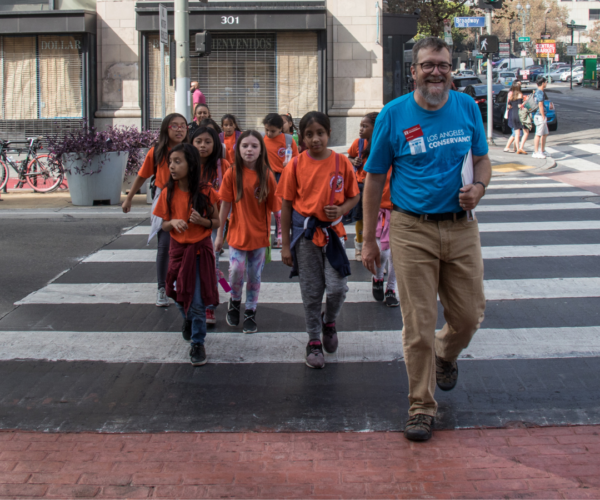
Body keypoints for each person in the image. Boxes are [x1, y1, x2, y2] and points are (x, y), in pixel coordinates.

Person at [362, 37, 491, 442]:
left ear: (451, 69)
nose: (437, 71)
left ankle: (446, 352)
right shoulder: (393, 114)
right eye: (428, 65)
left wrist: (481, 187)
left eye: (444, 65)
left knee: (469, 317)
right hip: (411, 228)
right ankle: (421, 406)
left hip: (461, 226)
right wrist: (367, 239)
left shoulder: (467, 107)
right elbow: (374, 178)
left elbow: (482, 158)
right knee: (417, 324)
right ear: (413, 71)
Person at [277, 111, 360, 369]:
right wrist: (285, 244)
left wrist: (342, 209)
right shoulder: (295, 165)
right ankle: (314, 340)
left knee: (338, 288)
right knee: (311, 292)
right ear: (301, 137)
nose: (315, 139)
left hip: (333, 235)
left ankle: (329, 322)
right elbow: (287, 206)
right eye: (309, 134)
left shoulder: (341, 163)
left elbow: (354, 196)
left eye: (320, 133)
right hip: (305, 237)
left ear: (329, 134)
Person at [153, 143, 220, 366]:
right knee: (178, 296)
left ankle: (198, 343)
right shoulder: (167, 192)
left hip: (200, 252)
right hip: (177, 252)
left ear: (191, 165)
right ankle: (188, 320)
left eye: (178, 161)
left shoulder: (206, 191)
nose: (172, 166)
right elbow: (162, 225)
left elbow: (218, 221)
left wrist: (203, 222)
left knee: (198, 301)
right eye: (171, 162)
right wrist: (172, 222)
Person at [214, 130, 281, 334]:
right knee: (235, 272)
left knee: (254, 276)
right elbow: (224, 206)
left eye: (254, 146)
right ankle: (234, 302)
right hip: (236, 235)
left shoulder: (267, 175)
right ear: (237, 149)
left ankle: (250, 311)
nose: (249, 150)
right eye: (245, 146)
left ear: (261, 150)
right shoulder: (231, 173)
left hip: (259, 238)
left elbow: (276, 209)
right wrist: (219, 236)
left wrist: (279, 236)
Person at [122, 113, 188, 307]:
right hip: (165, 202)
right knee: (164, 246)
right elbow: (142, 176)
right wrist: (129, 198)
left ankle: (204, 289)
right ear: (166, 129)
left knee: (195, 247)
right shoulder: (157, 152)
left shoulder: (192, 150)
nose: (179, 129)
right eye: (174, 125)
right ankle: (162, 288)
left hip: (188, 200)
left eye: (183, 125)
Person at [190, 126, 232, 327]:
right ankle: (222, 283)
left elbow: (230, 193)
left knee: (210, 264)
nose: (203, 146)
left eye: (207, 141)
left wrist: (223, 229)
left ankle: (209, 307)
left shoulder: (223, 164)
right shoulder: (188, 164)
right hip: (193, 223)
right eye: (198, 141)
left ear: (216, 143)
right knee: (197, 267)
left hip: (215, 222)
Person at [262, 113, 299, 249]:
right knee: (264, 205)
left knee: (281, 207)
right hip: (265, 176)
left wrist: (289, 164)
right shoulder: (261, 139)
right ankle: (263, 235)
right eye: (267, 130)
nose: (269, 133)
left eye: (273, 131)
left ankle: (280, 235)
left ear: (280, 129)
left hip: (282, 176)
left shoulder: (288, 140)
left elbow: (297, 159)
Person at [347, 113, 378, 261]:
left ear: (375, 127)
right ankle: (359, 247)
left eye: (365, 126)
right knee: (360, 218)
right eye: (360, 126)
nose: (361, 129)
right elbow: (350, 157)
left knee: (377, 219)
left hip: (377, 187)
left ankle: (376, 246)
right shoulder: (358, 143)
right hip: (360, 185)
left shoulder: (380, 143)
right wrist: (354, 161)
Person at [373, 167, 399, 308]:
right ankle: (378, 278)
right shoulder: (379, 154)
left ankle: (391, 289)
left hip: (401, 210)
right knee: (382, 253)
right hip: (380, 210)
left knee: (396, 255)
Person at [506, 82, 526, 155]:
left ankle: (517, 148)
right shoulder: (520, 94)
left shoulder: (511, 95)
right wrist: (525, 102)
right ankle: (519, 149)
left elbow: (509, 106)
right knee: (519, 133)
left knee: (516, 133)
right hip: (518, 114)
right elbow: (519, 106)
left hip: (513, 114)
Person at [533, 76, 549, 159]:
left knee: (545, 133)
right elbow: (540, 105)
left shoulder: (538, 91)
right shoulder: (540, 92)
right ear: (543, 83)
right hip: (539, 116)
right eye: (546, 82)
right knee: (538, 134)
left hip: (539, 115)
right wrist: (543, 116)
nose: (546, 84)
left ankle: (542, 150)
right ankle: (536, 152)